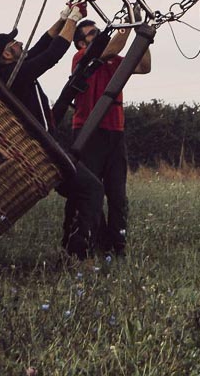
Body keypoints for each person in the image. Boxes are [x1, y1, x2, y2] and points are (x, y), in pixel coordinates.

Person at [62, 17, 151, 258]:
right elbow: (114, 45)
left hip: (115, 133)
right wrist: (132, 23)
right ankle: (88, 244)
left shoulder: (113, 61)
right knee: (90, 192)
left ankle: (117, 246)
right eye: (92, 34)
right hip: (88, 133)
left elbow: (144, 66)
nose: (99, 35)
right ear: (81, 44)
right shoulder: (81, 59)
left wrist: (143, 36)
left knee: (117, 194)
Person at [0, 2, 86, 131]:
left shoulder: (10, 69)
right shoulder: (12, 74)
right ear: (7, 54)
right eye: (15, 43)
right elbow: (51, 55)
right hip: (36, 138)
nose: (21, 43)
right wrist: (74, 19)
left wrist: (63, 19)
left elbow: (42, 46)